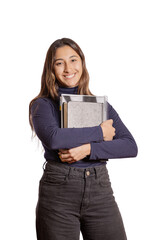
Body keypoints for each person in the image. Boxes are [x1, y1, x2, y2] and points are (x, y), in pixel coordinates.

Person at [29, 38, 138, 240]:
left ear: (82, 63)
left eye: (73, 60)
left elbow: (130, 146)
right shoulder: (42, 105)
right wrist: (99, 133)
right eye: (59, 62)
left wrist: (88, 149)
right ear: (50, 69)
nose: (68, 68)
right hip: (58, 193)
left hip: (100, 190)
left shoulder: (100, 105)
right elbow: (55, 138)